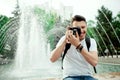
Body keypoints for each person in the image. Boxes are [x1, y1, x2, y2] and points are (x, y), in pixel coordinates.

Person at [50, 15, 98, 80]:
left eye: (83, 27)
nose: (81, 30)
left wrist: (78, 45)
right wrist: (65, 41)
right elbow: (52, 59)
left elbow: (94, 62)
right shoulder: (64, 39)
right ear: (71, 29)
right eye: (77, 28)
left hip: (87, 76)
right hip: (70, 76)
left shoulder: (90, 41)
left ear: (86, 27)